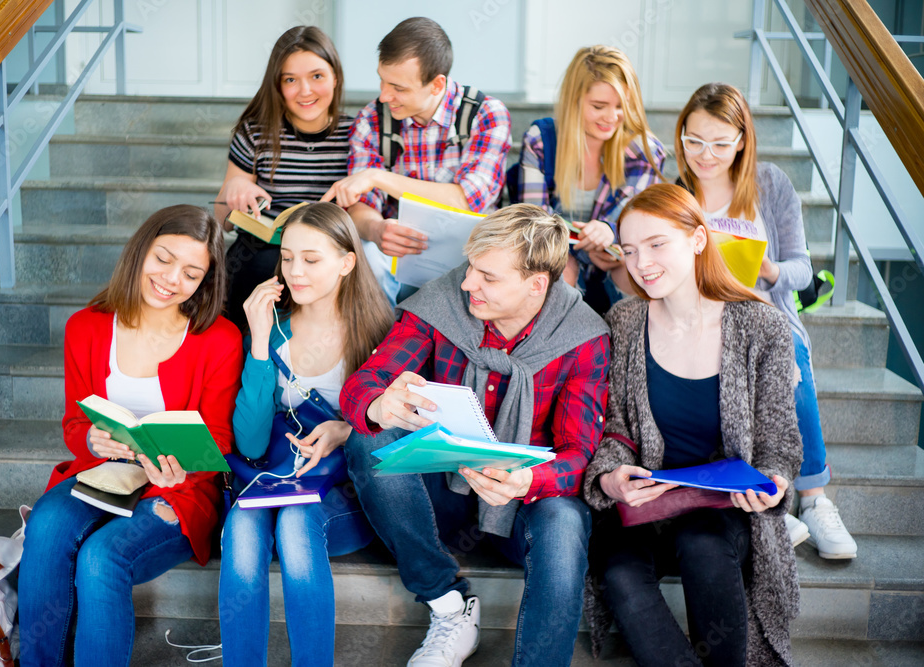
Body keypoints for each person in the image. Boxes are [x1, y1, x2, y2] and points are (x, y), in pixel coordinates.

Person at [341, 204, 610, 667]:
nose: (468, 284)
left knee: (566, 522)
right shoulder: (442, 301)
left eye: (487, 276)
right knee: (368, 438)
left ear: (536, 284)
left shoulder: (582, 335)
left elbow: (578, 454)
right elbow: (365, 382)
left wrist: (527, 481)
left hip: (520, 505)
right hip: (440, 496)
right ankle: (448, 603)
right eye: (470, 268)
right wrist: (378, 404)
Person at [582, 184, 802, 666]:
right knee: (617, 570)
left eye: (657, 244)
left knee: (701, 543)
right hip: (647, 503)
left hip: (722, 507)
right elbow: (614, 427)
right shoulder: (623, 320)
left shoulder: (760, 326)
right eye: (631, 250)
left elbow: (779, 439)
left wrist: (774, 481)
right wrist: (611, 478)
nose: (641, 263)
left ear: (699, 239)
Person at [18, 205, 244, 666]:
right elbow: (75, 422)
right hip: (102, 474)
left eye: (191, 272)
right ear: (140, 250)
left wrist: (180, 462)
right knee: (44, 525)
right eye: (163, 258)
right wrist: (92, 441)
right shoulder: (86, 326)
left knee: (101, 559)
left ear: (205, 280)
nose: (170, 278)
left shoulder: (220, 338)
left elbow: (219, 436)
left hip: (179, 486)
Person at [674, 82, 857, 559]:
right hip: (704, 319)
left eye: (719, 142)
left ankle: (814, 499)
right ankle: (769, 497)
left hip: (765, 314)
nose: (705, 154)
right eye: (694, 141)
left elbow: (801, 268)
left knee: (788, 353)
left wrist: (769, 270)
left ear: (741, 139)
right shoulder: (676, 193)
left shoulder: (770, 184)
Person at [218, 202, 393, 666]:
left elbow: (395, 435)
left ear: (346, 263)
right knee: (241, 524)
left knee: (296, 522)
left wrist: (348, 427)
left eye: (311, 259)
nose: (295, 271)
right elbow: (251, 445)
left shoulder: (377, 330)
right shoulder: (270, 329)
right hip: (276, 477)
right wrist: (257, 343)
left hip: (344, 493)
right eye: (288, 257)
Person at [321, 16, 512, 303]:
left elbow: (465, 198)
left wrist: (377, 176)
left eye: (398, 87)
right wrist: (377, 229)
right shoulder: (372, 119)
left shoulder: (485, 114)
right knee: (366, 255)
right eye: (382, 80)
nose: (384, 96)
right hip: (396, 257)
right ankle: (382, 341)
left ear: (436, 85)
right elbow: (360, 207)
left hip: (468, 253)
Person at [216, 26, 352, 333]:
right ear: (278, 86)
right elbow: (222, 222)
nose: (305, 91)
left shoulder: (355, 133)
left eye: (317, 76)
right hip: (265, 246)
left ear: (336, 78)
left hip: (326, 250)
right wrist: (232, 191)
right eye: (291, 80)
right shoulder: (254, 132)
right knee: (259, 269)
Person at [516, 45, 665, 315]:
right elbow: (534, 220)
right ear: (574, 100)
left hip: (617, 257)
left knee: (640, 272)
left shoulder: (643, 150)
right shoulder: (542, 140)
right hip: (555, 252)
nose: (612, 117)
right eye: (599, 106)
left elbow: (639, 220)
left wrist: (611, 231)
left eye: (622, 106)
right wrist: (587, 248)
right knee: (557, 272)